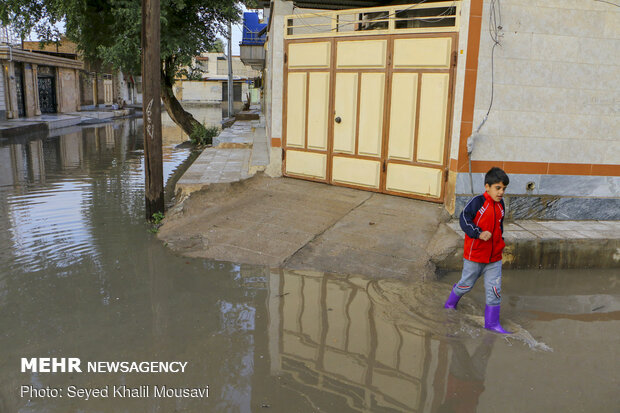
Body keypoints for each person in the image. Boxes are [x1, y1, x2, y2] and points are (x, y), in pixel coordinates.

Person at [444, 167, 511, 334]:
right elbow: (464, 219)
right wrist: (478, 233)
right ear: (487, 186)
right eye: (498, 188)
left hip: (494, 258)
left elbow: (499, 226)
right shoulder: (477, 202)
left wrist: (500, 241)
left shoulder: (501, 205)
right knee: (465, 286)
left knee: (494, 290)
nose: (501, 192)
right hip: (475, 256)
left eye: (503, 188)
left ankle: (492, 323)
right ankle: (451, 303)